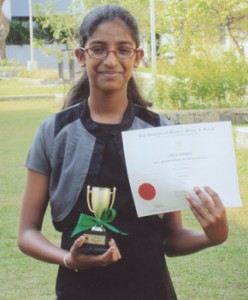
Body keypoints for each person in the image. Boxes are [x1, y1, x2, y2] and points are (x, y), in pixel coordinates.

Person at [18, 5, 228, 300]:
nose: (111, 60)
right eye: (99, 49)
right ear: (81, 56)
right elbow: (27, 233)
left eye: (123, 49)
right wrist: (69, 259)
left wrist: (211, 236)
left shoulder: (158, 132)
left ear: (138, 57)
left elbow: (170, 237)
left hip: (150, 290)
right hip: (78, 292)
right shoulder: (54, 132)